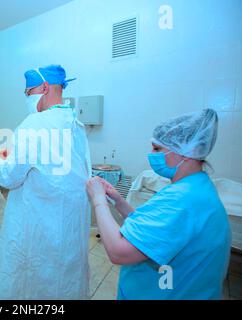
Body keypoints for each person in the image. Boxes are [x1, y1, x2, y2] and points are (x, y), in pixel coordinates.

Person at [0, 65, 91, 299]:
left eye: (28, 92)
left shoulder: (34, 124)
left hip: (41, 223)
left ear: (44, 87)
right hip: (69, 223)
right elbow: (49, 162)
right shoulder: (73, 121)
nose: (26, 97)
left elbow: (9, 177)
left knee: (35, 280)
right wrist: (14, 152)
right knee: (64, 279)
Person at [87, 109, 231, 300]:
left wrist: (98, 200)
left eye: (157, 149)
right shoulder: (193, 186)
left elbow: (119, 252)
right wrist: (119, 201)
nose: (151, 154)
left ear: (188, 152)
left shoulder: (182, 200)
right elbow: (154, 229)